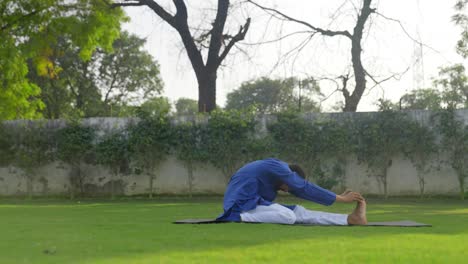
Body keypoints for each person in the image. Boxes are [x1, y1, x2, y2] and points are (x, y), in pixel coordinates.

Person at [216, 158, 367, 225]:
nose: (287, 191)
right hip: (238, 207)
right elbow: (304, 188)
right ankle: (237, 218)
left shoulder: (276, 178)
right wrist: (341, 199)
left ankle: (349, 219)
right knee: (288, 216)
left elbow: (303, 191)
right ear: (291, 177)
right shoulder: (278, 167)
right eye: (290, 187)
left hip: (251, 204)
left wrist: (337, 198)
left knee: (299, 211)